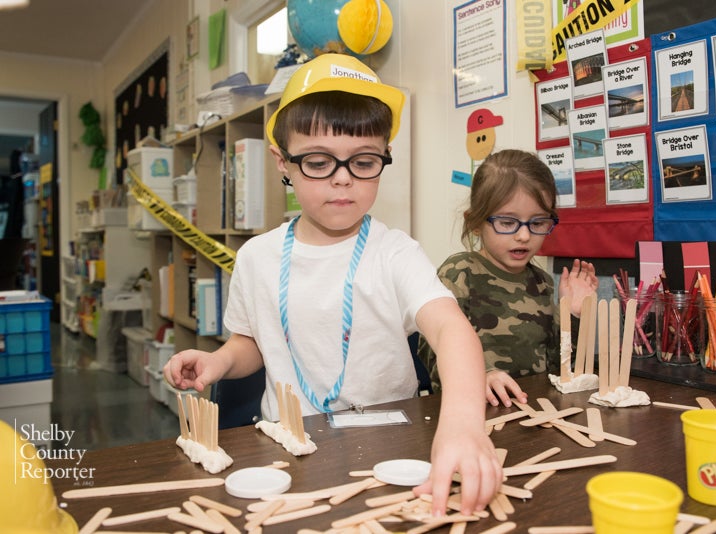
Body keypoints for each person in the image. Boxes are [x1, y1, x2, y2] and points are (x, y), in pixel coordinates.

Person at [163, 53, 501, 516]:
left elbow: (450, 330)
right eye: (319, 162)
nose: (343, 179)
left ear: (383, 156)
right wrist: (219, 361)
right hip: (288, 446)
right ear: (283, 163)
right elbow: (255, 343)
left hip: (392, 444)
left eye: (364, 161)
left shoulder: (395, 252)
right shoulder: (256, 258)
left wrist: (463, 424)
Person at [418, 149, 598, 408]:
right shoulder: (459, 272)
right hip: (467, 414)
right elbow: (431, 346)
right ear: (476, 222)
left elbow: (560, 369)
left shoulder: (543, 283)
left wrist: (574, 314)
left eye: (537, 223)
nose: (524, 236)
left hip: (531, 413)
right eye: (507, 222)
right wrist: (481, 374)